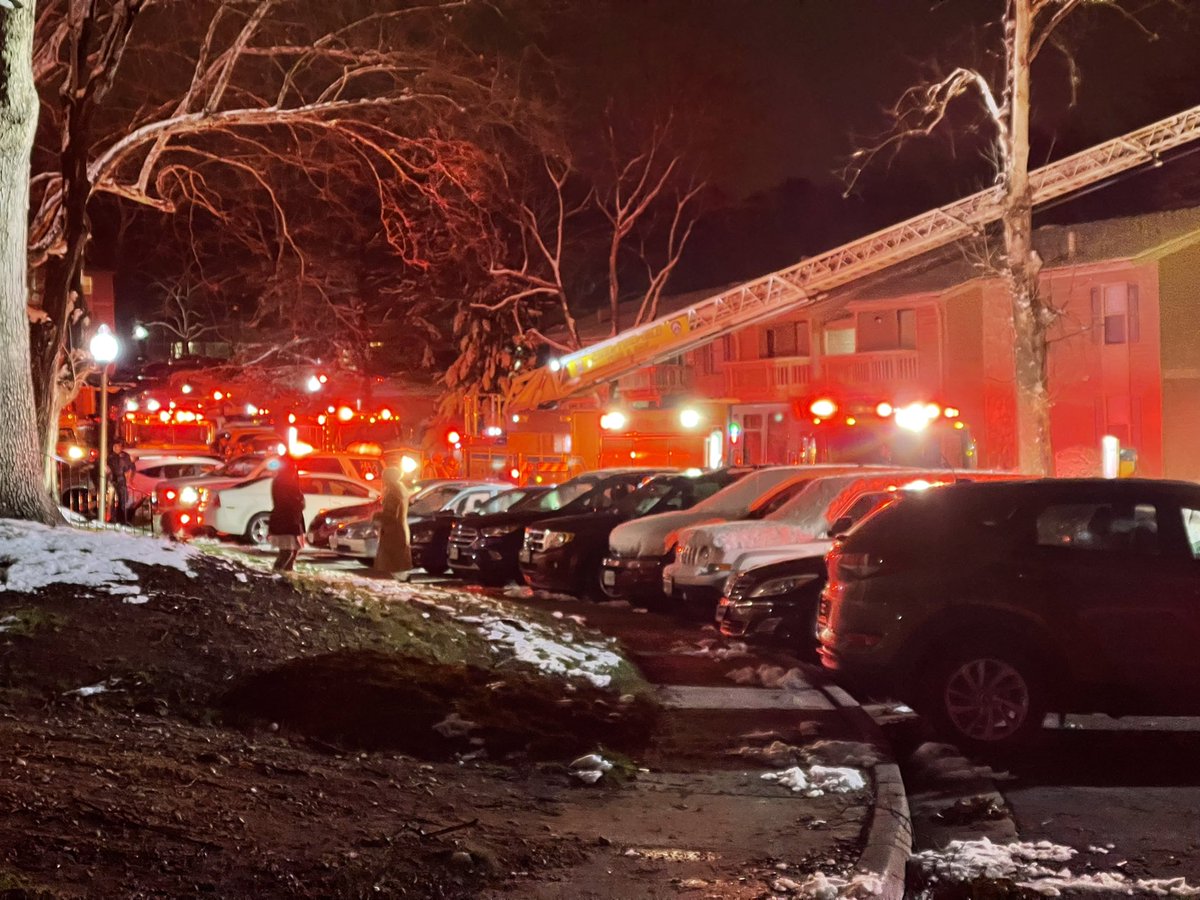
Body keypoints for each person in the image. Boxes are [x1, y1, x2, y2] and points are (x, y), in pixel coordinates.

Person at [373, 465, 415, 580]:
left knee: (394, 560)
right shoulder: (401, 489)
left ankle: (402, 580)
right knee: (399, 558)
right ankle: (403, 578)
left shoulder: (392, 493)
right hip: (400, 529)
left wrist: (377, 516)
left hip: (393, 531)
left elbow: (390, 514)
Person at [268, 457, 306, 572]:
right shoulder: (283, 481)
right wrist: (299, 502)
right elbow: (288, 501)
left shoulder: (286, 480)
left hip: (289, 520)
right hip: (285, 521)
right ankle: (276, 574)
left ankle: (286, 574)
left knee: (292, 551)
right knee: (287, 552)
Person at [106, 440, 134, 524]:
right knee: (111, 501)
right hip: (111, 480)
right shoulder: (109, 456)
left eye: (118, 446)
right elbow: (107, 467)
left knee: (122, 500)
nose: (116, 448)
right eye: (115, 446)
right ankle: (113, 518)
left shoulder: (125, 456)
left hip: (121, 480)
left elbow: (128, 467)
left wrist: (128, 477)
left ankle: (122, 519)